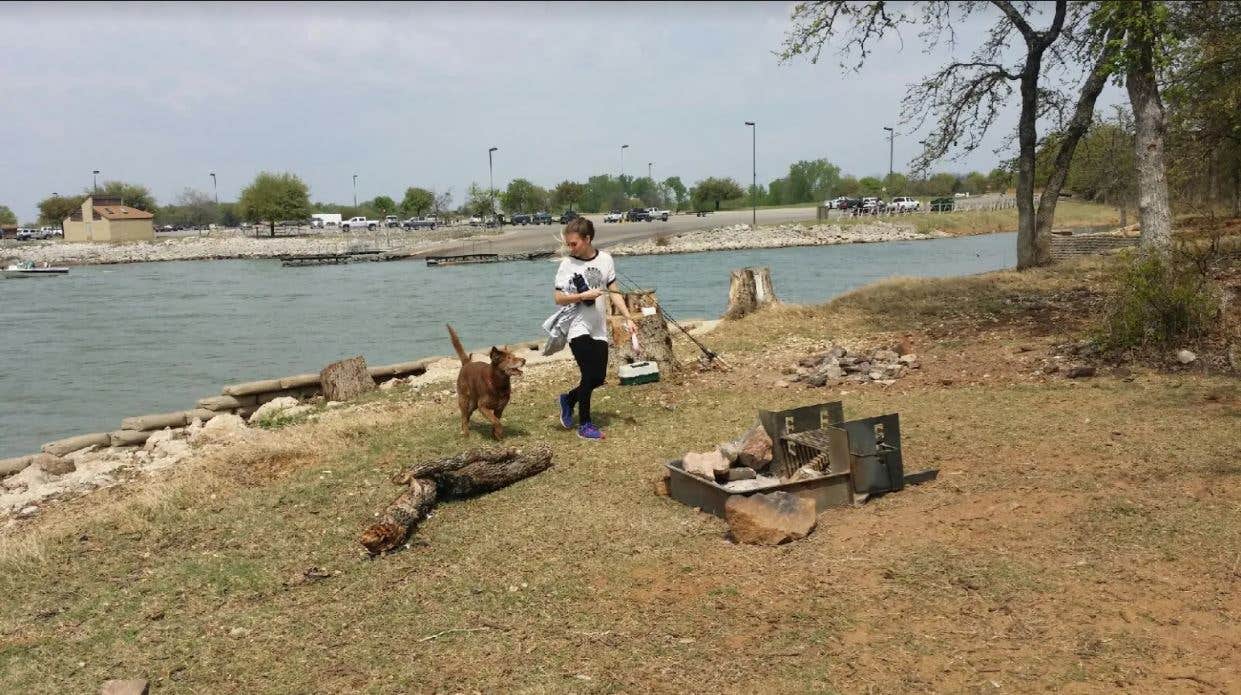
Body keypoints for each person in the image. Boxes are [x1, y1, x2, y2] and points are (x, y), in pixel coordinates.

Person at [553, 217, 636, 440]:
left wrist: (628, 317)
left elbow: (614, 291)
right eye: (568, 244)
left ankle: (569, 399)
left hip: (598, 327)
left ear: (587, 239)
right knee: (588, 374)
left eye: (574, 244)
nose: (570, 248)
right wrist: (582, 296)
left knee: (598, 378)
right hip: (576, 326)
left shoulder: (606, 260)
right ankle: (585, 424)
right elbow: (558, 298)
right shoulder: (567, 264)